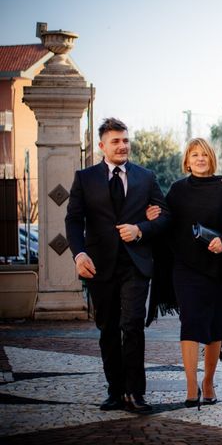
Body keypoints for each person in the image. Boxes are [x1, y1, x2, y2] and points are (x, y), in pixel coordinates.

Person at [65, 118, 169, 413]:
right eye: (116, 141)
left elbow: (165, 216)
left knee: (132, 324)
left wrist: (141, 229)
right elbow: (73, 220)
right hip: (99, 265)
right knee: (107, 327)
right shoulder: (84, 179)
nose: (123, 146)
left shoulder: (146, 177)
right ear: (102, 146)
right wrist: (79, 254)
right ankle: (115, 391)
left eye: (125, 140)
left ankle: (135, 393)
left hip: (135, 264)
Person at [147, 137, 222, 408]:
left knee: (215, 327)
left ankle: (208, 382)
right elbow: (167, 223)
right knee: (190, 323)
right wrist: (153, 216)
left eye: (204, 154)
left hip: (218, 267)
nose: (200, 159)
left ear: (211, 157)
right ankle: (191, 386)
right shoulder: (178, 190)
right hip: (186, 268)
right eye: (194, 155)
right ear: (187, 161)